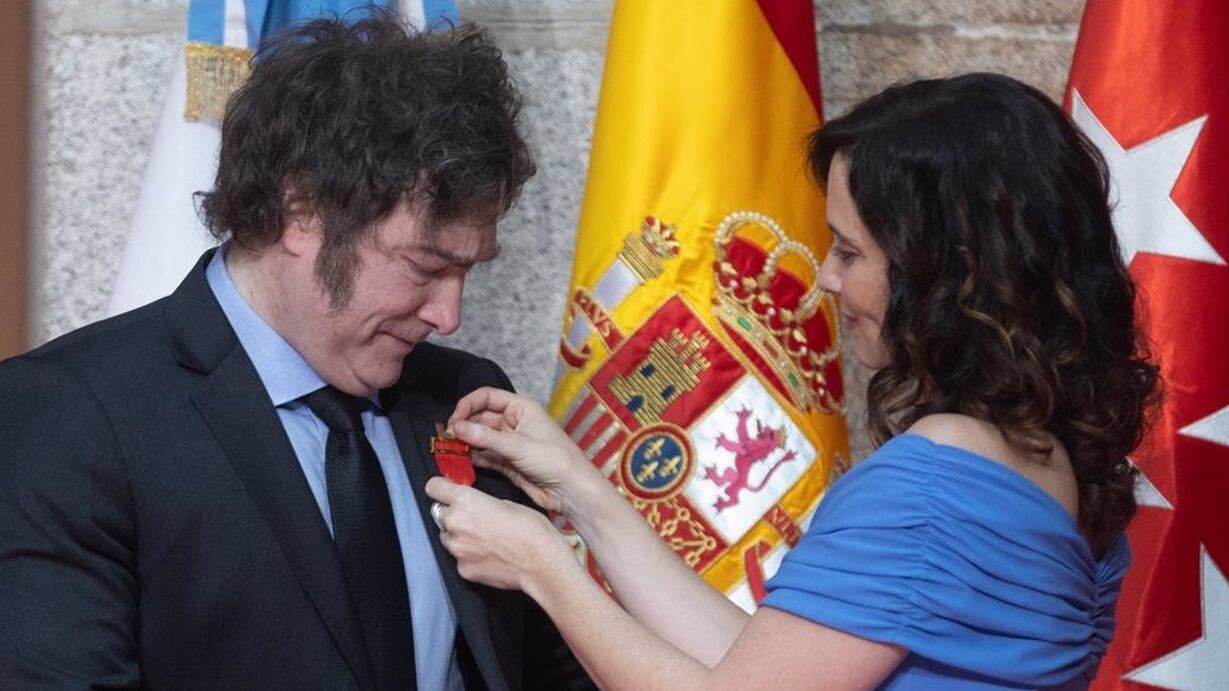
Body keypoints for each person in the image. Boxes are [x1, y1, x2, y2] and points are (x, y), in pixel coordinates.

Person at [422, 73, 1161, 690]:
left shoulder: (931, 484)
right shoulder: (1036, 448)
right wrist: (581, 492)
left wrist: (542, 568)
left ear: (945, 270)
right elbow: (762, 663)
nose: (828, 280)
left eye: (847, 251)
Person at [0, 13, 593, 691]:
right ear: (301, 211)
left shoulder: (459, 397)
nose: (449, 316)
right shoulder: (68, 418)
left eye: (468, 272)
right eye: (425, 266)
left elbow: (548, 669)